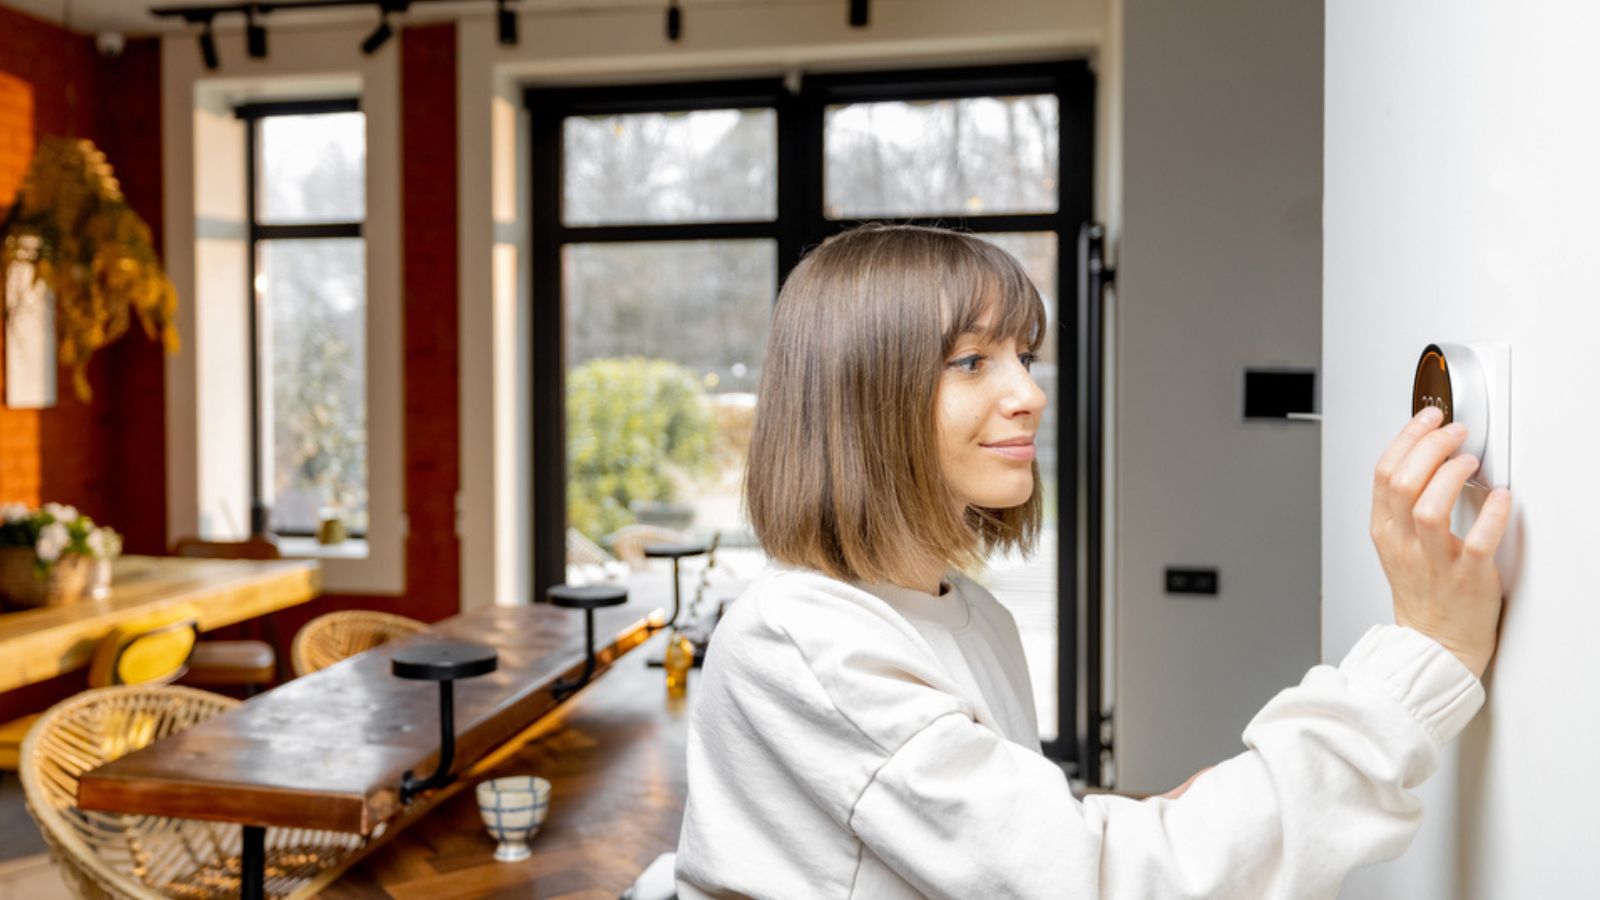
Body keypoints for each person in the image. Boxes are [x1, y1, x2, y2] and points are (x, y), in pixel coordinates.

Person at [673, 224, 1512, 899]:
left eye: (1024, 357)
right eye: (972, 360)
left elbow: (993, 845)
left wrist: (1108, 817)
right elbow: (1098, 885)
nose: (1030, 392)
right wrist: (1421, 656)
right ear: (862, 396)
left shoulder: (969, 614)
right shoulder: (801, 639)